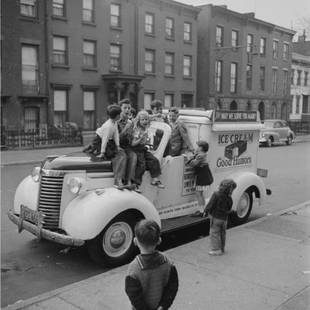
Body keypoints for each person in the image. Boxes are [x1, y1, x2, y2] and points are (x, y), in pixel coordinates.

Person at [125, 219, 179, 310]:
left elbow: (133, 295)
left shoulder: (133, 269)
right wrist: (163, 306)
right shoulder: (168, 263)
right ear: (159, 240)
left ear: (135, 241)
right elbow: (172, 287)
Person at [83, 104, 126, 187]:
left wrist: (118, 146)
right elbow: (104, 139)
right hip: (99, 140)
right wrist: (102, 152)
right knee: (111, 154)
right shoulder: (108, 126)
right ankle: (93, 147)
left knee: (119, 153)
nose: (121, 115)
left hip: (108, 140)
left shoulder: (115, 123)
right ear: (117, 116)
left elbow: (116, 134)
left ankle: (92, 147)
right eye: (120, 114)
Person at [131, 110, 164, 190]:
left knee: (154, 160)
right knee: (141, 165)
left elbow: (149, 117)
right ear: (139, 121)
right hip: (136, 149)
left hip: (143, 148)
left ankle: (155, 179)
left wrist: (156, 115)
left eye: (146, 119)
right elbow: (133, 143)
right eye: (142, 120)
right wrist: (141, 138)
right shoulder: (138, 130)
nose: (145, 121)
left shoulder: (145, 127)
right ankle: (136, 184)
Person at [203, 179, 237, 255]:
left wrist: (205, 211)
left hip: (215, 218)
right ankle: (222, 248)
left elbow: (210, 204)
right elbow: (229, 208)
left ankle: (216, 250)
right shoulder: (229, 198)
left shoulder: (216, 194)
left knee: (214, 233)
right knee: (222, 233)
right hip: (224, 219)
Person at [187, 141, 212, 214]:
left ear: (201, 148)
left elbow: (193, 164)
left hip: (202, 176)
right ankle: (203, 210)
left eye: (198, 146)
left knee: (198, 193)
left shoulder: (200, 155)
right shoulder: (202, 154)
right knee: (201, 193)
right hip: (204, 175)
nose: (197, 148)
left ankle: (201, 211)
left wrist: (188, 158)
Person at [117, 99, 137, 187]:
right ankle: (119, 180)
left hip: (126, 146)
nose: (127, 110)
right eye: (125, 108)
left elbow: (131, 139)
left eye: (129, 108)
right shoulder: (116, 122)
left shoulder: (130, 122)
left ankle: (129, 181)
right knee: (123, 157)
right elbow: (117, 138)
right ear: (120, 109)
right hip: (117, 146)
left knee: (133, 156)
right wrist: (126, 128)